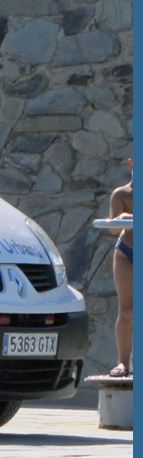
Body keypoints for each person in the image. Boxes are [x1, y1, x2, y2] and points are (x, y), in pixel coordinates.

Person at [107, 158, 133, 377]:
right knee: (127, 310)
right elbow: (113, 229)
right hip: (127, 252)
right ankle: (122, 362)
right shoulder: (121, 194)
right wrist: (122, 218)